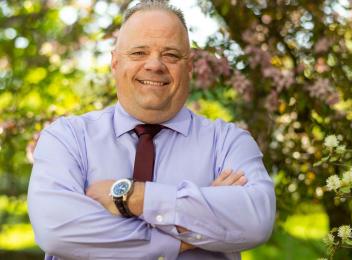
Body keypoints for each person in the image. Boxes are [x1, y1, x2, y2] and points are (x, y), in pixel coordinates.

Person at [27, 1, 276, 259]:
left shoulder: (228, 142)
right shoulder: (66, 138)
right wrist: (192, 229)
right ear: (115, 62)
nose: (155, 65)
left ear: (189, 67)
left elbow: (255, 220)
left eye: (171, 54)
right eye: (138, 53)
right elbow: (57, 230)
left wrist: (134, 197)